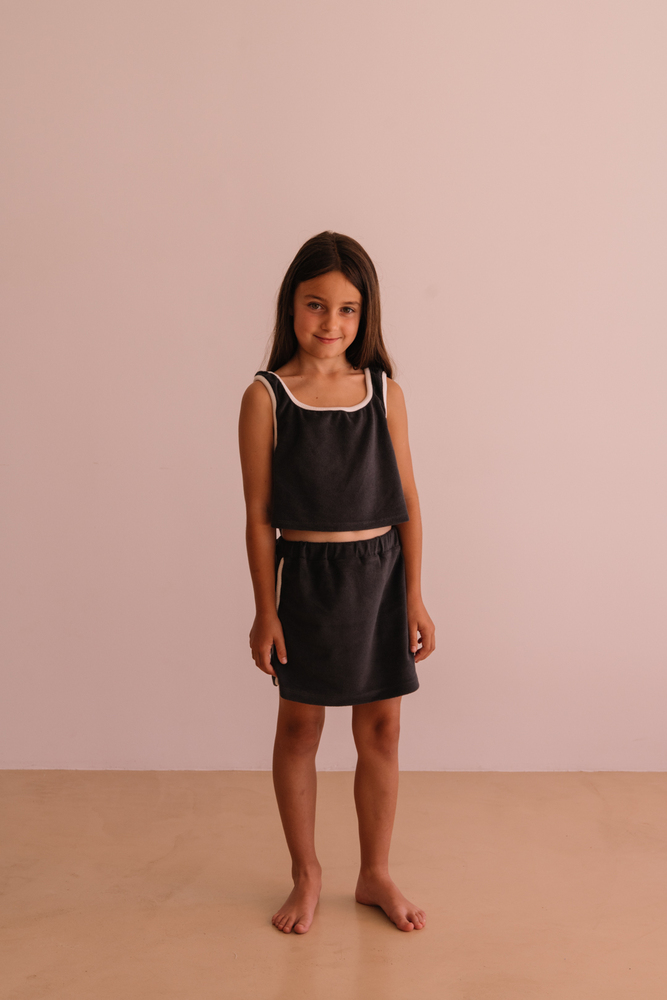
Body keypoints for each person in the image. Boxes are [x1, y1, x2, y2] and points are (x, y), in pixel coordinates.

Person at [238, 231, 435, 935]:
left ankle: (374, 871)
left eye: (347, 309)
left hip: (379, 578)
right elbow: (259, 517)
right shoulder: (266, 397)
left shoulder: (384, 393)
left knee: (382, 727)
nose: (330, 322)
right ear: (291, 306)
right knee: (300, 727)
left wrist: (414, 596)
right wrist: (265, 611)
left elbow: (407, 503)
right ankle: (307, 872)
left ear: (365, 314)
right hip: (307, 581)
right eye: (315, 305)